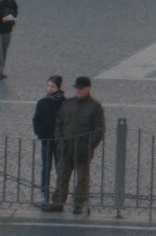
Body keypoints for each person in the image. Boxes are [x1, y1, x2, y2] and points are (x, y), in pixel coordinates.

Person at [42, 76, 106, 215]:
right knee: (62, 177)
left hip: (83, 150)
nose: (78, 90)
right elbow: (58, 124)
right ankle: (58, 202)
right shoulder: (68, 104)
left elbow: (99, 130)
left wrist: (89, 146)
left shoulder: (95, 107)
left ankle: (79, 203)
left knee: (82, 179)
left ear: (88, 89)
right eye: (76, 88)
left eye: (81, 88)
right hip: (65, 148)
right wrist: (59, 141)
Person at [32, 75, 66, 203]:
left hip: (59, 141)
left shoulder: (64, 103)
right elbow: (36, 119)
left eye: (53, 86)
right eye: (48, 86)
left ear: (58, 87)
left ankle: (60, 193)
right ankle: (44, 192)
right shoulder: (42, 102)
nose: (50, 88)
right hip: (46, 139)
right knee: (45, 167)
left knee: (60, 168)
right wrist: (39, 133)